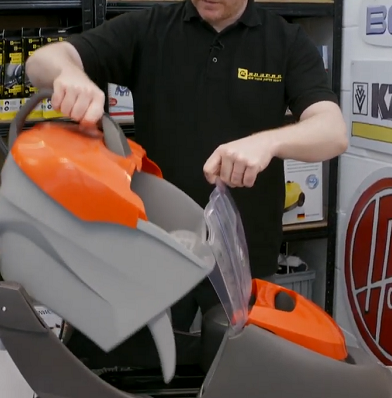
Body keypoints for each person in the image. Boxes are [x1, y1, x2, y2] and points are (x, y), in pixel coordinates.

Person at [26, 0, 348, 331]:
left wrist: (268, 142)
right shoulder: (148, 28)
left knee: (240, 368)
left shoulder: (285, 41)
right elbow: (40, 62)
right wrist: (68, 74)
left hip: (242, 257)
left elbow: (333, 131)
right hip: (157, 251)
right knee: (152, 370)